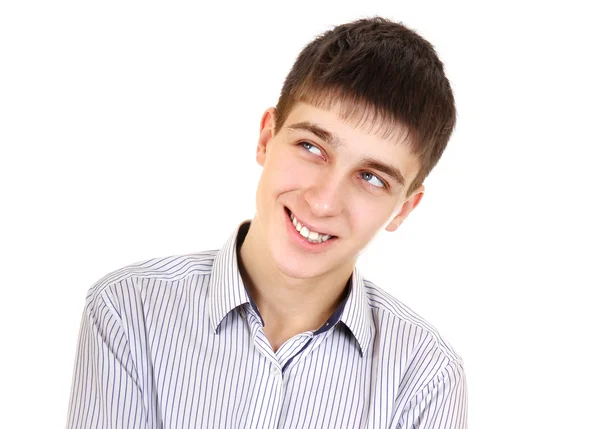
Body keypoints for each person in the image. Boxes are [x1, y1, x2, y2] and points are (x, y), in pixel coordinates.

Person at [67, 16, 467, 429]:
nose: (323, 201)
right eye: (311, 147)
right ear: (266, 138)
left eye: (371, 177)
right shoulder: (129, 311)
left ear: (403, 209)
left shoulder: (425, 380)